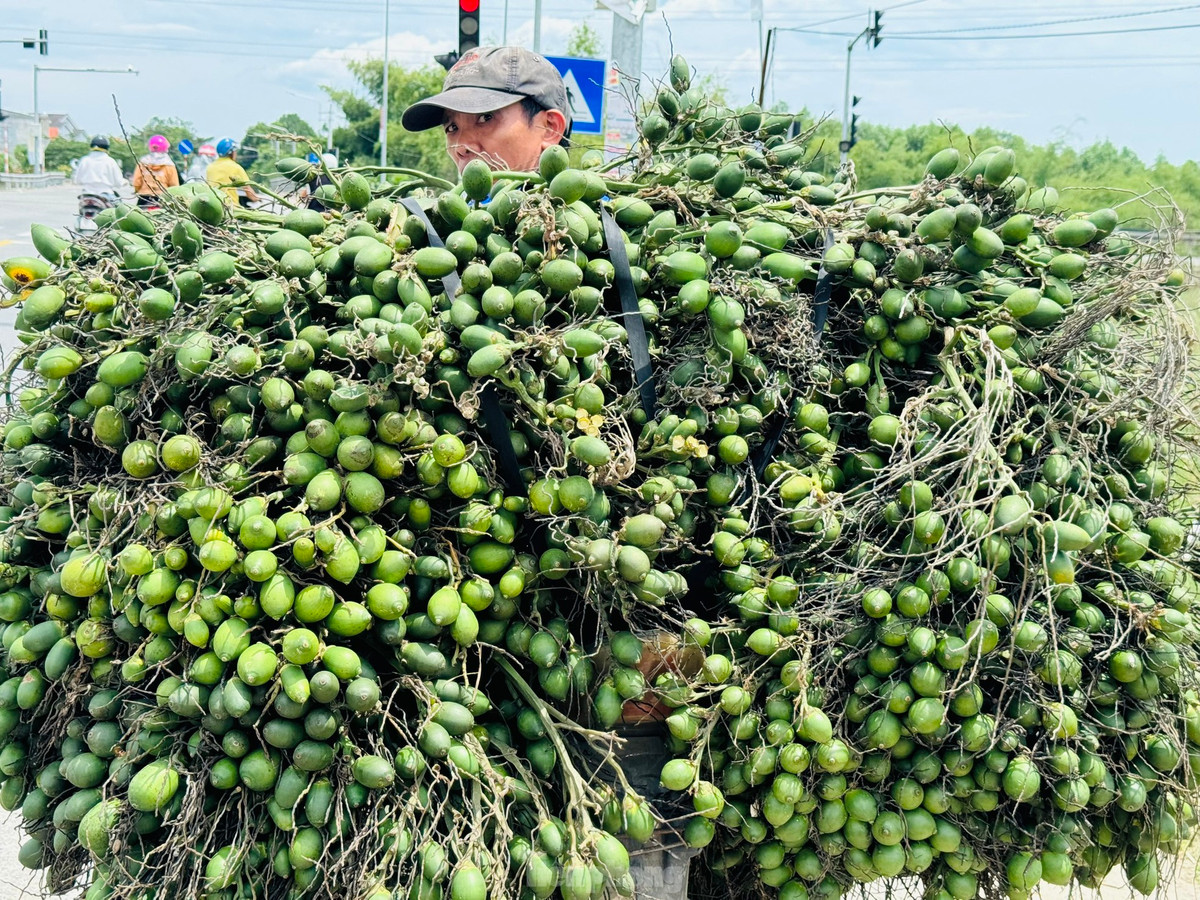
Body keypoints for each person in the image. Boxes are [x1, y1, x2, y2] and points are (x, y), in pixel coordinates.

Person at [401, 45, 572, 174]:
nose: (461, 147)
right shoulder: (441, 219)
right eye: (452, 128)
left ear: (550, 128)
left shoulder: (594, 217)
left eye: (485, 118)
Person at [206, 138, 261, 207]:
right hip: (231, 208)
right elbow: (248, 190)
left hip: (214, 206)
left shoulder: (210, 167)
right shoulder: (236, 167)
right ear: (231, 153)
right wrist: (257, 199)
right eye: (235, 151)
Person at [131, 134, 180, 206]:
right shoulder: (170, 165)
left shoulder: (143, 162)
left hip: (144, 198)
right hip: (163, 199)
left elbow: (136, 182)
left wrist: (137, 190)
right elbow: (174, 185)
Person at [73, 136, 125, 201]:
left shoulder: (84, 160)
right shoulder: (110, 161)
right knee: (120, 208)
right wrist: (124, 182)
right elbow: (118, 182)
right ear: (107, 147)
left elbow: (77, 180)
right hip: (106, 195)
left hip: (87, 195)